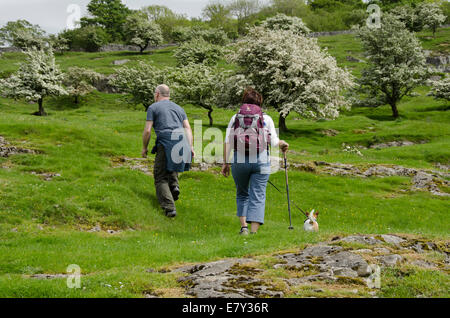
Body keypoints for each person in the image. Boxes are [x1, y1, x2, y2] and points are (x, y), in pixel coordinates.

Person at [221, 88, 289, 235]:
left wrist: (225, 163)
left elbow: (227, 142)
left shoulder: (235, 118)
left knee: (242, 193)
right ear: (260, 103)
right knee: (258, 194)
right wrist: (282, 144)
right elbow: (274, 141)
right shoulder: (267, 119)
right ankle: (254, 232)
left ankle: (244, 227)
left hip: (239, 160)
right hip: (261, 160)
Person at [142, 84, 194, 218]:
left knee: (160, 177)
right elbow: (188, 128)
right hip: (181, 139)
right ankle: (174, 186)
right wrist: (191, 146)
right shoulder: (179, 108)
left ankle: (169, 208)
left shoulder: (153, 107)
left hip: (166, 140)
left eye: (154, 93)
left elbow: (148, 130)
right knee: (171, 165)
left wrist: (144, 147)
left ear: (157, 94)